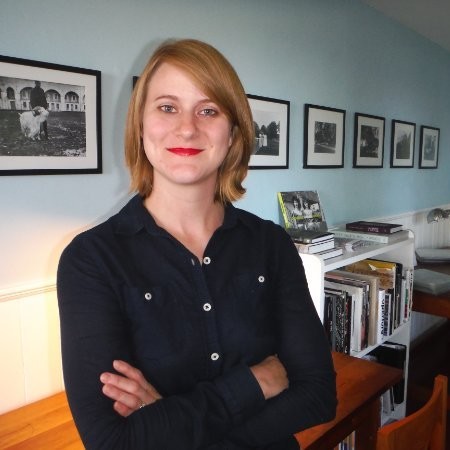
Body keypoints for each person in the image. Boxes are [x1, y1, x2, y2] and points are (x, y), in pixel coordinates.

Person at [57, 38, 336, 450]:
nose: (187, 127)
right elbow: (113, 442)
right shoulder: (91, 261)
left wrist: (171, 424)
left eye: (208, 110)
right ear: (140, 125)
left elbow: (317, 396)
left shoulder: (271, 245)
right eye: (167, 107)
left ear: (233, 132)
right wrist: (256, 382)